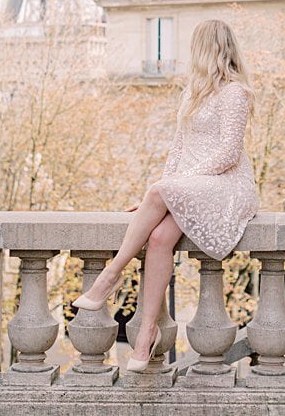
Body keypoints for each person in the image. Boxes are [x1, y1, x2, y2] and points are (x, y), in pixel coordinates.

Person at [73, 19, 258, 371]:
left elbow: (229, 154)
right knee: (158, 238)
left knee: (157, 194)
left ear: (207, 49)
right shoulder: (191, 92)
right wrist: (163, 194)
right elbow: (178, 147)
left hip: (226, 185)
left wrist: (169, 188)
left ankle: (110, 276)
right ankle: (146, 336)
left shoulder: (236, 93)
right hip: (191, 185)